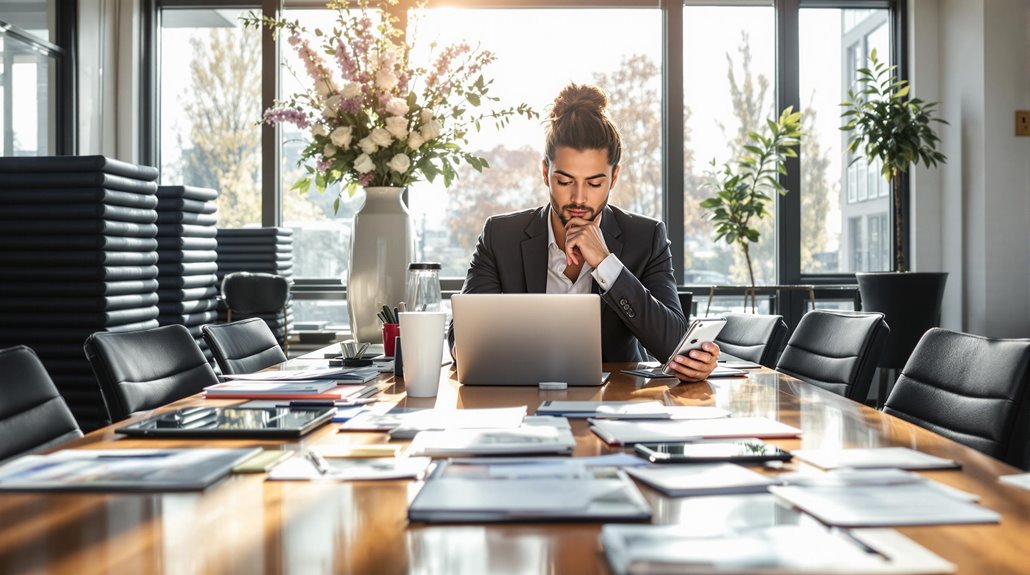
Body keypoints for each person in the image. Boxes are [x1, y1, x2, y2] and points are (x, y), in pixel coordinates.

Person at [450, 83, 719, 382]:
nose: (579, 198)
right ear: (545, 173)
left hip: (615, 405)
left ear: (614, 177)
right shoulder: (501, 236)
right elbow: (461, 341)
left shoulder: (646, 237)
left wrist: (606, 263)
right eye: (565, 181)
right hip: (521, 400)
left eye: (594, 183)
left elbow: (674, 346)